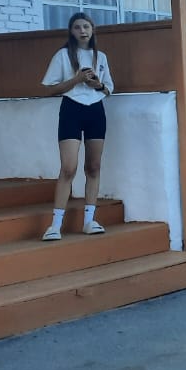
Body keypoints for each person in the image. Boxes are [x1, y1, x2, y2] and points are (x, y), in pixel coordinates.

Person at [40, 12, 114, 241]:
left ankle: (89, 220)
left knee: (93, 166)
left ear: (92, 29)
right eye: (77, 27)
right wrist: (77, 80)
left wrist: (97, 84)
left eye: (86, 26)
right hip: (71, 108)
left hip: (95, 109)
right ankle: (55, 225)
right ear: (71, 31)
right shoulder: (63, 55)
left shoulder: (100, 56)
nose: (82, 31)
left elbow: (109, 88)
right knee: (69, 167)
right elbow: (49, 88)